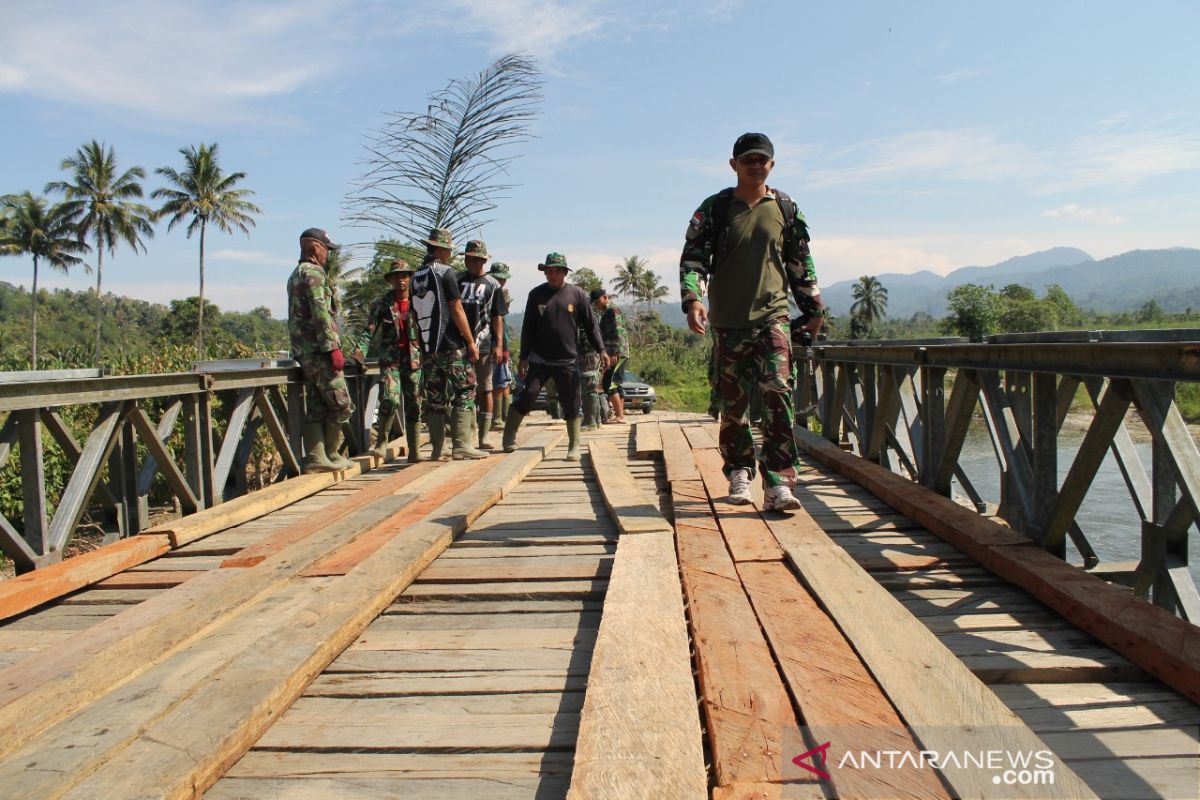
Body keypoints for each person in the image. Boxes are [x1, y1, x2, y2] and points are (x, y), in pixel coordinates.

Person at [679, 132, 825, 511]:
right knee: (734, 403)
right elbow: (693, 259)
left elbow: (800, 264)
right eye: (748, 160)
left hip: (773, 316)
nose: (756, 165)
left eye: (762, 160)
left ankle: (779, 481)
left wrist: (813, 311)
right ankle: (740, 471)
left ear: (772, 165)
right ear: (734, 165)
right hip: (728, 322)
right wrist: (693, 298)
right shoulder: (715, 208)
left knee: (778, 392)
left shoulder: (786, 209)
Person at [503, 253, 608, 461]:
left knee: (571, 402)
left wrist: (601, 350)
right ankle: (509, 435)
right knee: (528, 394)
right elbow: (528, 328)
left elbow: (591, 326)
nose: (551, 275)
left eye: (556, 271)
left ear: (563, 272)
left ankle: (574, 445)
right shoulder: (536, 295)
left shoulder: (576, 295)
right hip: (539, 358)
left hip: (567, 359)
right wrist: (523, 357)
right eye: (548, 271)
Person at [410, 227, 485, 460]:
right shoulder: (446, 273)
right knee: (466, 388)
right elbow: (456, 308)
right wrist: (471, 342)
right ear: (442, 249)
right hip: (451, 344)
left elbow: (413, 314)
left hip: (427, 347)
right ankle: (462, 444)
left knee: (435, 397)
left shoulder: (416, 276)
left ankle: (436, 449)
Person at [287, 227, 354, 473]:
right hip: (319, 351)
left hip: (303, 351)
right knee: (342, 403)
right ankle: (331, 454)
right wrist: (332, 348)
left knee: (317, 404)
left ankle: (317, 457)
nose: (328, 254)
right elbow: (320, 313)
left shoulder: (295, 274)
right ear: (315, 246)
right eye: (326, 248)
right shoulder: (314, 273)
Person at [350, 259, 424, 463]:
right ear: (390, 279)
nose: (401, 280)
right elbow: (369, 331)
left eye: (404, 275)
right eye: (397, 276)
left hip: (414, 359)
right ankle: (382, 441)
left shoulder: (419, 302)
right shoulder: (382, 304)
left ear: (410, 278)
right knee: (390, 399)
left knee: (414, 405)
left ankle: (415, 448)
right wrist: (359, 352)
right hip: (391, 359)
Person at [457, 240, 508, 450]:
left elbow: (497, 317)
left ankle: (484, 436)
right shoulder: (456, 279)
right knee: (463, 389)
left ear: (484, 260)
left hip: (484, 344)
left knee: (486, 388)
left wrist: (498, 345)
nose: (473, 262)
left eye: (478, 259)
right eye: (469, 258)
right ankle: (466, 435)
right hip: (458, 344)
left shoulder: (493, 285)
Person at [593, 288, 630, 424]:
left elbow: (618, 331)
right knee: (616, 383)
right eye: (595, 303)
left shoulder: (612, 310)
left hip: (616, 352)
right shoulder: (607, 312)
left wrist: (615, 353)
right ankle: (619, 415)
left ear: (605, 297)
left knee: (610, 383)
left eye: (598, 301)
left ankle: (620, 416)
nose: (597, 305)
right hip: (613, 352)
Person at [488, 262, 515, 431]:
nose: (502, 282)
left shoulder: (497, 293)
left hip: (500, 346)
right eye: (500, 278)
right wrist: (501, 348)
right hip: (493, 346)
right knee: (498, 383)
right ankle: (497, 419)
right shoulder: (492, 293)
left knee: (504, 382)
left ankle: (503, 416)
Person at [581, 288, 611, 429]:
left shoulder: (585, 313)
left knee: (589, 385)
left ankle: (590, 421)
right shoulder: (592, 313)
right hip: (592, 352)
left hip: (588, 352)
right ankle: (597, 420)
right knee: (593, 386)